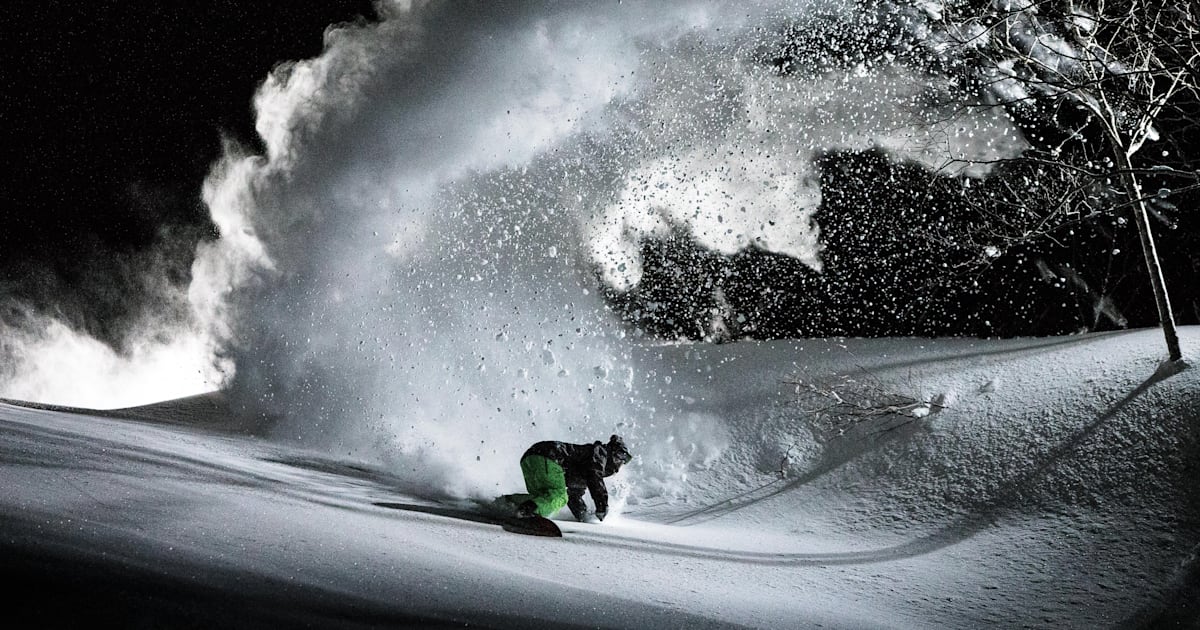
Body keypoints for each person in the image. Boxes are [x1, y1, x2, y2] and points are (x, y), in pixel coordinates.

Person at [505, 434, 632, 522]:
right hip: (549, 457)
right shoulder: (600, 453)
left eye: (624, 460)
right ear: (611, 451)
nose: (620, 462)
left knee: (545, 499)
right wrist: (602, 504)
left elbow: (574, 495)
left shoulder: (586, 466)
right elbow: (595, 475)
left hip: (531, 458)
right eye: (619, 456)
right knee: (560, 497)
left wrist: (584, 516)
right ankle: (526, 511)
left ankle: (507, 503)